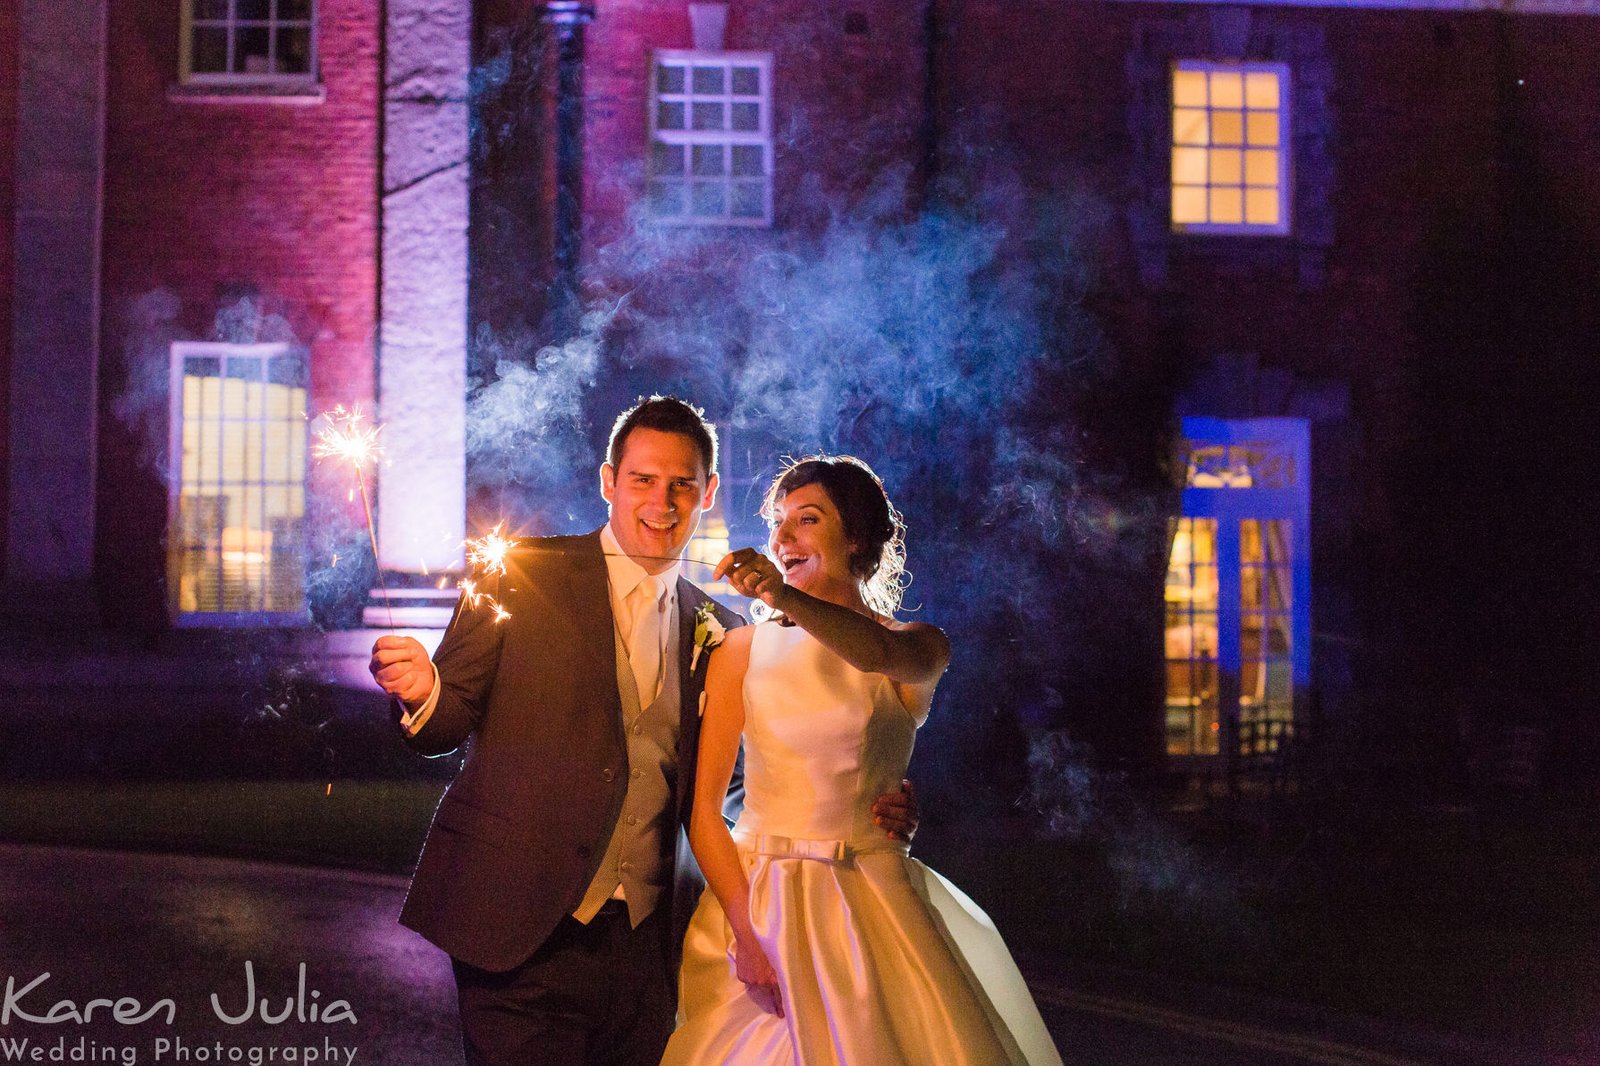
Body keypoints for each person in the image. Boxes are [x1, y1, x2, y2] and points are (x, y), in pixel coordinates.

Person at [367, 397, 918, 1066]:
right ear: (609, 483)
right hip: (517, 928)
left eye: (682, 484)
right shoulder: (523, 573)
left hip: (647, 949)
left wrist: (858, 800)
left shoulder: (720, 628)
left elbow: (738, 790)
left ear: (707, 493)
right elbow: (446, 722)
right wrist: (425, 692)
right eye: (643, 480)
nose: (663, 501)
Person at [662, 455, 1063, 1066]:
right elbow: (706, 810)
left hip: (868, 901)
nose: (783, 537)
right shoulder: (741, 650)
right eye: (778, 522)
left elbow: (871, 654)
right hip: (760, 903)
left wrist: (779, 594)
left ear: (855, 538)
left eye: (807, 519)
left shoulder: (918, 645)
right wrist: (747, 934)